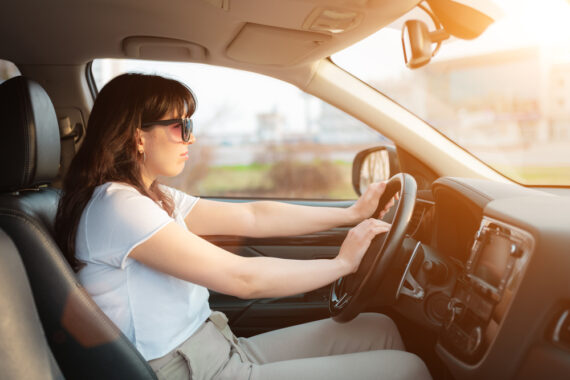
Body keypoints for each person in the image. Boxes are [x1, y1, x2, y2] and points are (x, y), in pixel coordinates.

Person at [55, 73, 431, 380]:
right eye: (180, 126)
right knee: (408, 370)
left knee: (378, 328)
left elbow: (253, 216)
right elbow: (242, 279)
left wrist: (351, 213)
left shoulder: (152, 196)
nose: (191, 136)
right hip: (187, 371)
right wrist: (343, 264)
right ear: (139, 136)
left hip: (217, 346)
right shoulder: (118, 206)